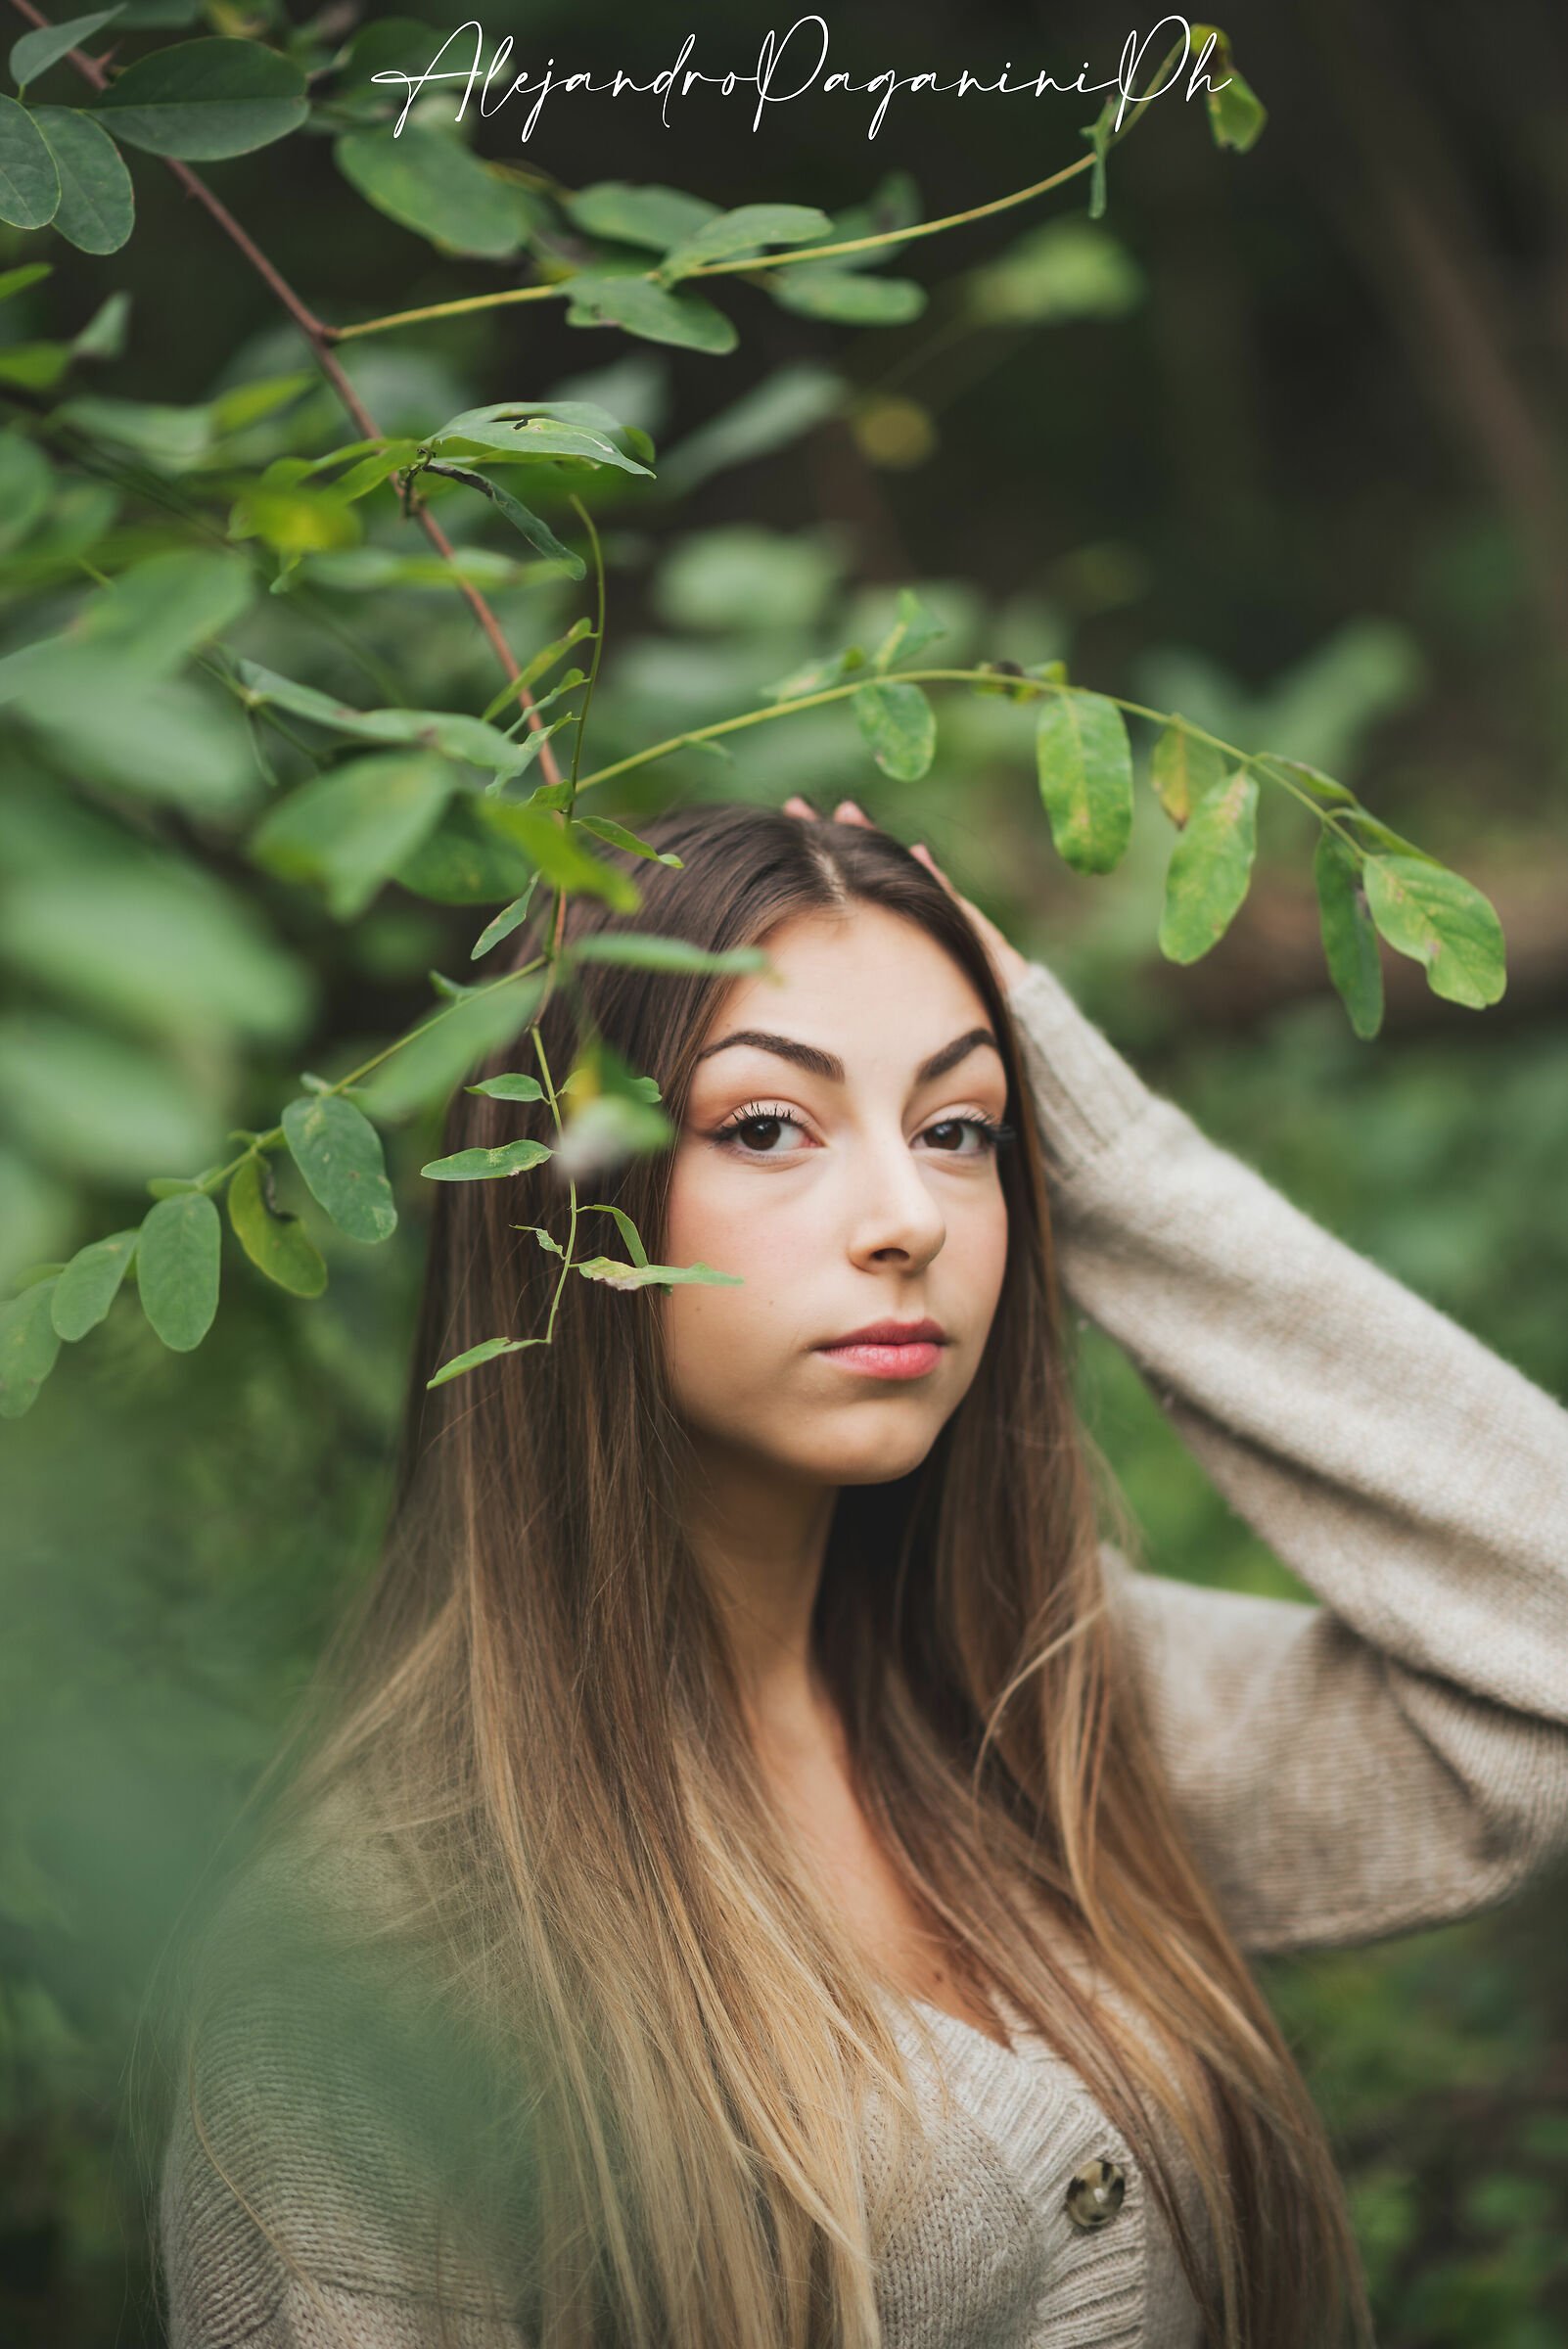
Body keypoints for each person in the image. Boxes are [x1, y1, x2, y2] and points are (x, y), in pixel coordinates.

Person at [156, 797, 1568, 2349]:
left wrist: (1088, 1137)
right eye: (766, 1126)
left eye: (960, 1132)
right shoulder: (368, 1968)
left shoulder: (1050, 1700)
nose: (907, 1219)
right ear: (566, 1202)